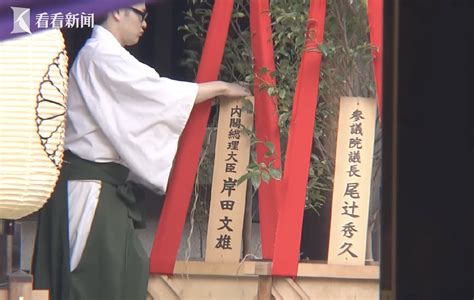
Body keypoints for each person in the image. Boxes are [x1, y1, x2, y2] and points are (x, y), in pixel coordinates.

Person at [31, 3, 251, 300]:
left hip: (99, 188)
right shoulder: (101, 55)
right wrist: (221, 88)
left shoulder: (104, 55)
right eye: (141, 14)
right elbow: (158, 94)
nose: (145, 23)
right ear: (117, 11)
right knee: (92, 280)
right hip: (89, 190)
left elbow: (153, 96)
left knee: (120, 272)